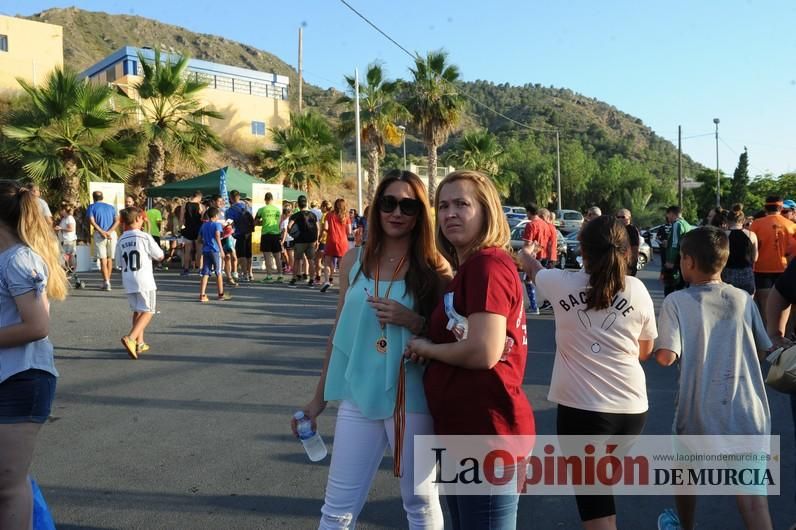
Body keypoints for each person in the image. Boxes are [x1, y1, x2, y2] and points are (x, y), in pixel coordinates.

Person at [294, 169, 449, 529]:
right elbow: (339, 333)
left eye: (408, 206)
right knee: (336, 508)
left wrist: (414, 321)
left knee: (421, 504)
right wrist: (317, 401)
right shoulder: (354, 261)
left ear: (420, 213)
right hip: (358, 396)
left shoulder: (435, 266)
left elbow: (450, 335)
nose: (397, 212)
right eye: (388, 203)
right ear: (376, 207)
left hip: (411, 398)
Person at [405, 170, 534, 529]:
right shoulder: (470, 268)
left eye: (462, 204)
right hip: (466, 433)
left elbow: (483, 351)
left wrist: (428, 350)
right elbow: (463, 336)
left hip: (487, 435)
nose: (450, 213)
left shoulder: (487, 265)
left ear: (486, 210)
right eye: (443, 206)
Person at [519, 215, 657, 530]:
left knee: (596, 510)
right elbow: (646, 351)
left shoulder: (561, 283)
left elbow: (534, 269)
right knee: (599, 496)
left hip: (584, 413)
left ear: (582, 250)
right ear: (627, 252)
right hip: (632, 412)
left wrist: (526, 253)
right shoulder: (637, 290)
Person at [653, 227, 773, 530]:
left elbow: (666, 357)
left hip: (697, 414)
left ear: (689, 262)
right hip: (748, 413)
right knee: (754, 500)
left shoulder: (677, 302)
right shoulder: (744, 299)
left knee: (685, 476)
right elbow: (764, 349)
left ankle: (685, 525)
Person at [0, 180, 68, 530]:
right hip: (9, 376)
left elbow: (37, 325)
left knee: (7, 487)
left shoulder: (18, 259)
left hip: (20, 380)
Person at [116, 207, 164, 360]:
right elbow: (160, 255)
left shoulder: (121, 239)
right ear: (138, 219)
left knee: (138, 310)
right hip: (144, 278)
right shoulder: (144, 237)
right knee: (149, 310)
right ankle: (131, 338)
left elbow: (118, 262)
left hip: (128, 277)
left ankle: (140, 342)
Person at [750, 195, 796, 324]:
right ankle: (785, 338)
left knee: (766, 310)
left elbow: (752, 246)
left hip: (761, 270)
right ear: (781, 207)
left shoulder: (756, 224)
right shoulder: (791, 225)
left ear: (765, 207)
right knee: (787, 307)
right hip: (784, 269)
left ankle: (768, 338)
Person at [721, 204, 758, 295]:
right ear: (743, 220)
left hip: (728, 273)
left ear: (728, 220)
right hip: (746, 272)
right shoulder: (751, 235)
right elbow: (755, 258)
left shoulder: (724, 235)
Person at [86, 190, 119, 291]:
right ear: (102, 197)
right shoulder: (111, 207)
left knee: (103, 260)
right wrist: (109, 231)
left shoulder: (91, 207)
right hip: (111, 234)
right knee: (109, 259)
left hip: (99, 234)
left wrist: (101, 232)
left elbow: (92, 221)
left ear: (93, 197)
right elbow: (117, 220)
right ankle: (107, 281)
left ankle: (107, 282)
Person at [197, 207, 231, 302]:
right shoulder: (217, 225)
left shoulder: (203, 226)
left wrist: (206, 241)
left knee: (205, 273)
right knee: (218, 272)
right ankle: (221, 294)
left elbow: (199, 239)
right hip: (215, 250)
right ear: (216, 216)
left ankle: (202, 294)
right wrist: (222, 250)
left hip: (206, 250)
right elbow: (217, 236)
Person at [521, 203, 549, 315]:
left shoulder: (531, 225)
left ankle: (534, 306)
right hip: (543, 255)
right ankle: (548, 302)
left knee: (528, 281)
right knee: (542, 281)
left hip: (532, 256)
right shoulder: (545, 224)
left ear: (529, 212)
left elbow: (528, 243)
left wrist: (523, 255)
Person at [319, 198, 351, 293]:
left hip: (331, 240)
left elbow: (326, 227)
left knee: (327, 262)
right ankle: (343, 285)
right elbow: (349, 231)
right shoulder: (346, 216)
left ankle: (327, 281)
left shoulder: (329, 215)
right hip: (343, 242)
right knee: (342, 265)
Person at [287, 195, 319, 288]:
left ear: (298, 204)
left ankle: (294, 279)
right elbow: (317, 227)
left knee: (297, 260)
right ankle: (312, 280)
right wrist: (316, 239)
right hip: (311, 241)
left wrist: (292, 234)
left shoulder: (295, 215)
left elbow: (289, 226)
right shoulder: (313, 215)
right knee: (311, 260)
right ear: (306, 203)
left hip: (299, 241)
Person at [661, 205, 691, 296]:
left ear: (671, 213)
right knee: (681, 286)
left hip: (676, 259)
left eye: (668, 214)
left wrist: (670, 261)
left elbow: (674, 244)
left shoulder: (676, 224)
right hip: (684, 258)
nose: (667, 217)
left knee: (670, 286)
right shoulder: (686, 224)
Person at [255, 192, 284, 283]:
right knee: (277, 256)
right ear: (272, 199)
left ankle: (269, 276)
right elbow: (279, 222)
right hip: (276, 234)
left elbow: (255, 222)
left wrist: (262, 223)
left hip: (266, 234)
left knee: (267, 256)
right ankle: (280, 275)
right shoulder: (277, 210)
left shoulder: (261, 210)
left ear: (265, 200)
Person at [226, 190, 254, 282]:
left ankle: (244, 274)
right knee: (248, 254)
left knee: (241, 254)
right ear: (239, 196)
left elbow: (229, 224)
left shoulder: (230, 210)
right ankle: (250, 273)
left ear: (231, 198)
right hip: (249, 233)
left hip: (239, 233)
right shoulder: (247, 206)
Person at [180, 190, 204, 275]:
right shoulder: (200, 206)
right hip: (198, 229)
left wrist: (182, 228)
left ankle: (186, 269)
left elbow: (181, 219)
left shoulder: (185, 205)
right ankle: (200, 269)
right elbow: (203, 218)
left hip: (188, 228)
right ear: (199, 197)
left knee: (187, 250)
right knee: (199, 250)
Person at [616, 208, 641, 276]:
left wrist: (631, 266)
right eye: (618, 217)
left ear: (629, 218)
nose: (620, 219)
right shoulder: (617, 229)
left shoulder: (631, 230)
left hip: (627, 266)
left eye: (623, 217)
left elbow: (635, 249)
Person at [55, 204, 77, 273]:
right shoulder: (64, 218)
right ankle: (67, 268)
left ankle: (68, 269)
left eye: (61, 211)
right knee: (65, 254)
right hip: (65, 239)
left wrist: (61, 228)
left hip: (69, 240)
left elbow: (71, 228)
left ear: (64, 210)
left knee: (65, 255)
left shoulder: (69, 218)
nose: (60, 212)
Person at [146, 201, 164, 268]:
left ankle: (149, 263)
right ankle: (158, 264)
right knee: (157, 248)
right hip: (155, 233)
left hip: (147, 232)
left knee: (148, 248)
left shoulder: (147, 212)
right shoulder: (158, 212)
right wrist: (159, 229)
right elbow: (158, 222)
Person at [280, 207, 294, 274]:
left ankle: (291, 268)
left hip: (288, 239)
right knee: (284, 254)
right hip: (286, 239)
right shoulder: (284, 220)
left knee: (289, 254)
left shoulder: (286, 221)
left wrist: (282, 240)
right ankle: (288, 267)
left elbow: (285, 231)